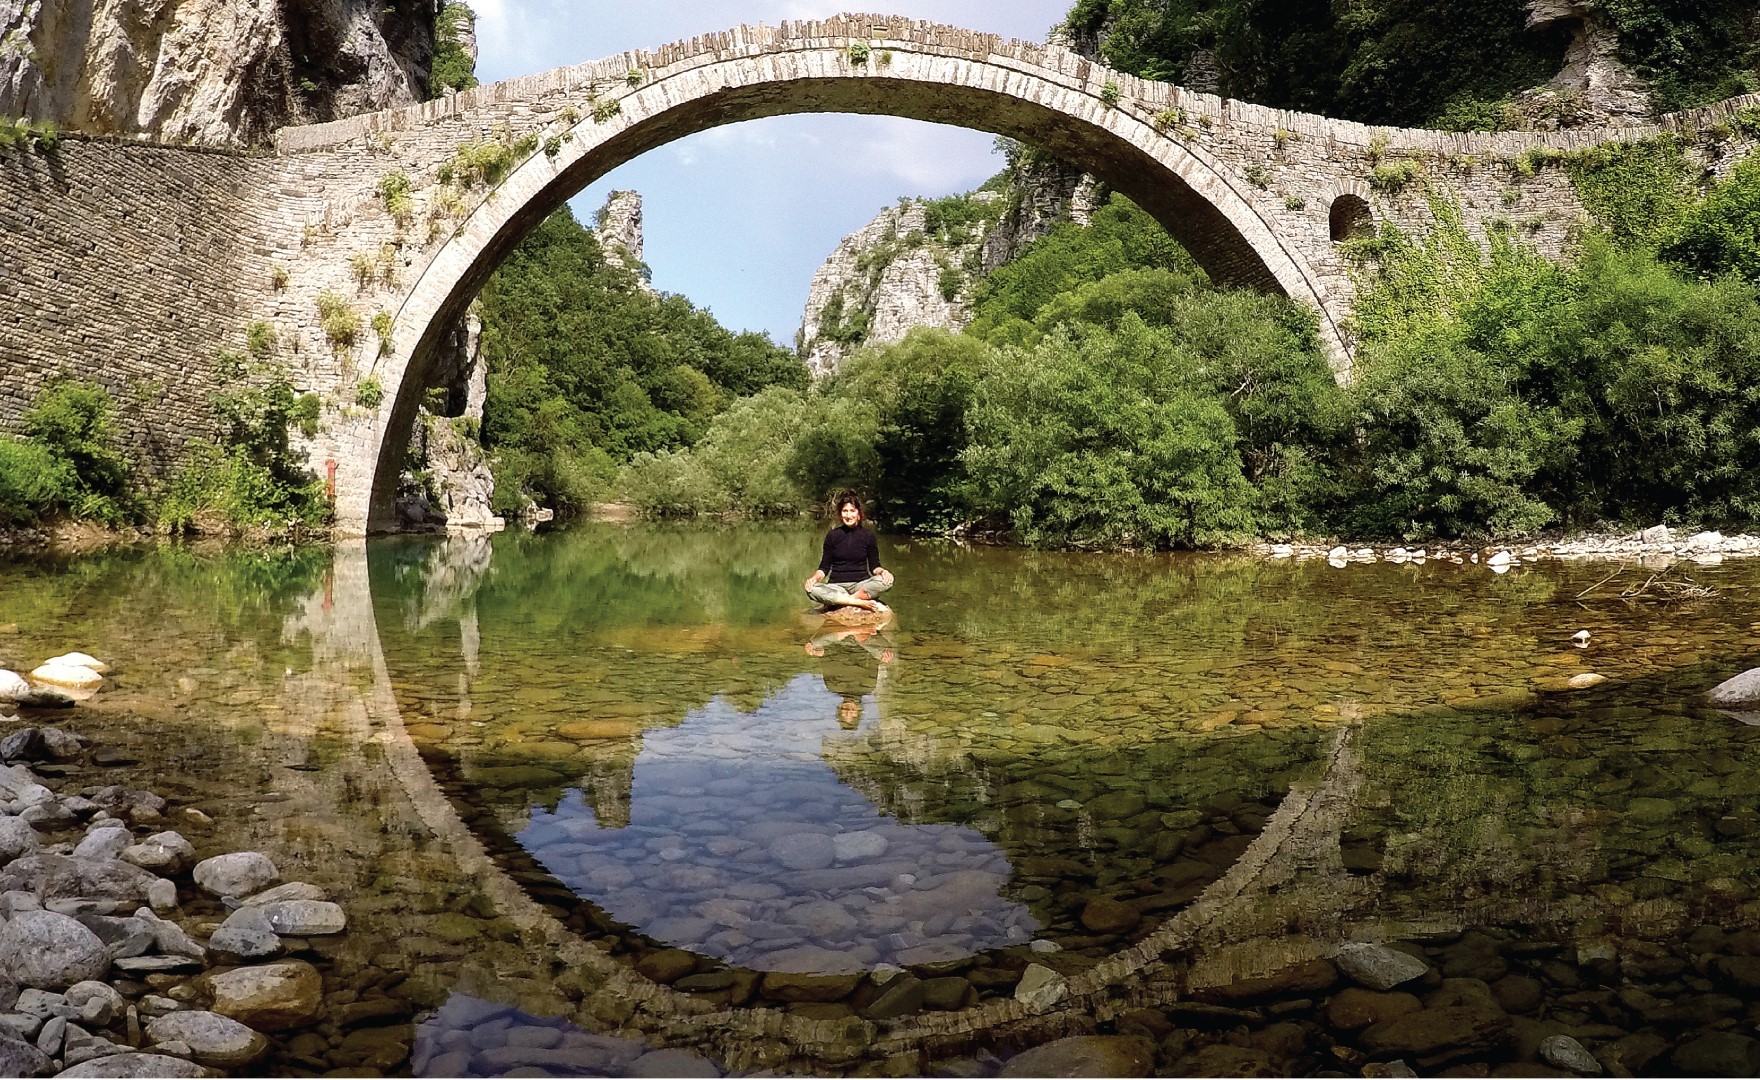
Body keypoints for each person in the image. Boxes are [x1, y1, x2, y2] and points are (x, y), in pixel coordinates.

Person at [803, 492, 894, 613]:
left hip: (861, 585)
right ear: (840, 515)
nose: (848, 515)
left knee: (887, 581)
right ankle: (856, 602)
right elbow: (824, 568)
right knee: (811, 589)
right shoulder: (832, 536)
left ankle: (840, 601)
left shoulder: (868, 536)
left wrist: (884, 572)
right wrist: (813, 579)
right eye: (845, 511)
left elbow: (874, 567)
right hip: (837, 586)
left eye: (852, 511)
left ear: (859, 514)